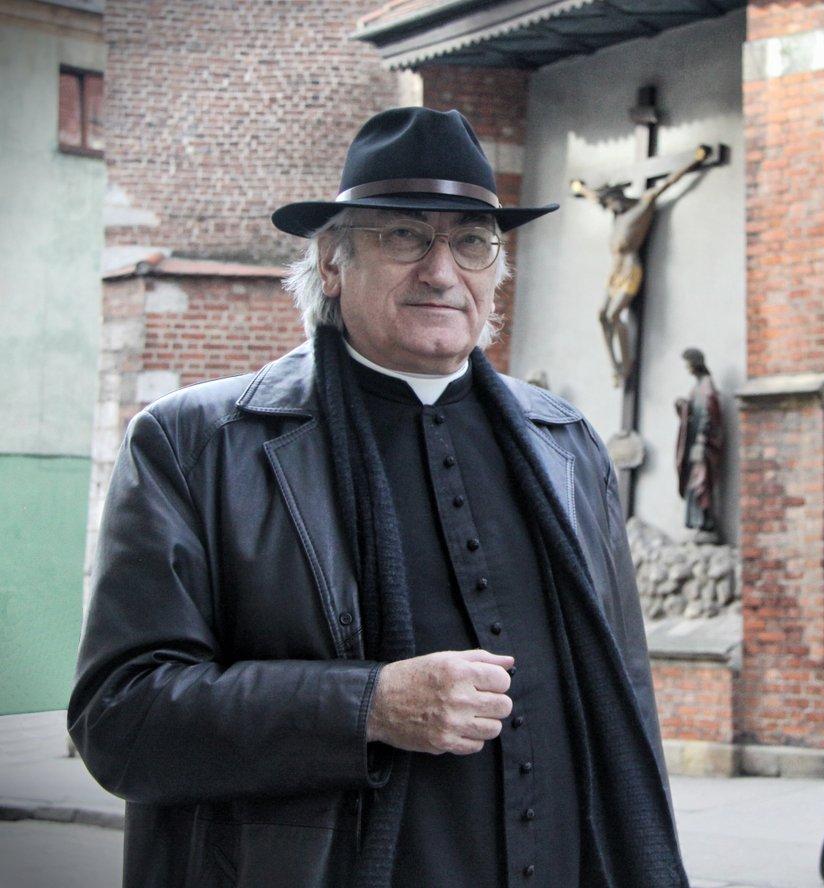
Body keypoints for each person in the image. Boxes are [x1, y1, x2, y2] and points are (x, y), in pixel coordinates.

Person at [69, 107, 687, 888]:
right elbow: (121, 718)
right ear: (331, 262)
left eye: (472, 242)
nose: (442, 272)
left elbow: (626, 700)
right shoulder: (196, 445)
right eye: (404, 236)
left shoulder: (566, 446)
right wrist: (369, 706)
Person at [571, 146, 709, 386]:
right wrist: (580, 188)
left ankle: (627, 365)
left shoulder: (642, 207)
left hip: (630, 269)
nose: (609, 208)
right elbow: (596, 198)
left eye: (611, 203)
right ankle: (614, 365)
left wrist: (695, 161)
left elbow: (668, 182)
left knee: (614, 315)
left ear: (618, 198)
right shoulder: (617, 214)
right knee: (602, 315)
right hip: (614, 272)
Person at [674, 348, 722, 540]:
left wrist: (702, 440)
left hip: (701, 446)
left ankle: (705, 523)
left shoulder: (707, 386)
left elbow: (709, 414)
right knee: (693, 483)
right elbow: (694, 412)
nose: (686, 368)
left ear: (695, 363)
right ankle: (698, 523)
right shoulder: (698, 386)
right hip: (694, 445)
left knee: (700, 483)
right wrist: (683, 405)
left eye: (688, 364)